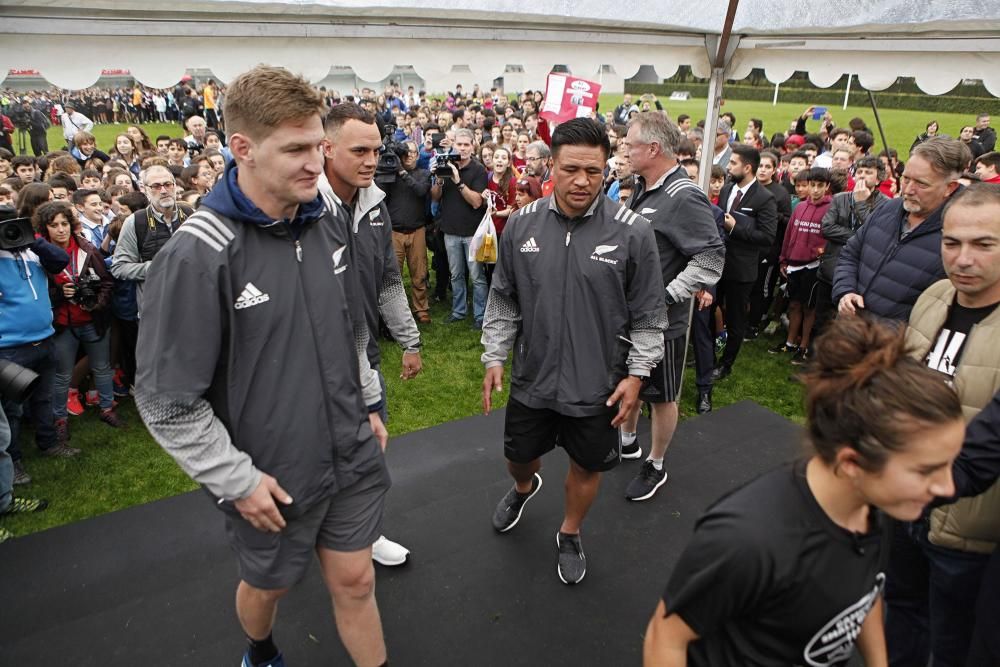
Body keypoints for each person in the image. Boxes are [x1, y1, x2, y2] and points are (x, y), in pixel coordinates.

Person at [134, 65, 391, 667]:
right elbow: (166, 402)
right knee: (269, 586)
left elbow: (347, 325)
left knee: (356, 581)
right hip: (271, 475)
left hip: (349, 451)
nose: (313, 164)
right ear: (242, 149)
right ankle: (261, 648)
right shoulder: (197, 254)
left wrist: (367, 401)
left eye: (318, 147)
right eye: (296, 149)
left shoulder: (327, 223)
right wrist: (235, 479)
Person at [643, 314, 965, 667]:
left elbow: (864, 592)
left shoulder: (875, 505)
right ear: (852, 464)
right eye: (926, 470)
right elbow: (666, 639)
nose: (948, 487)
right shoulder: (747, 540)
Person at [480, 118, 666, 584]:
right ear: (551, 170)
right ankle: (524, 487)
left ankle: (570, 530)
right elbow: (504, 297)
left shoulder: (634, 232)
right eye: (570, 169)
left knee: (587, 467)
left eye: (593, 170)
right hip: (533, 377)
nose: (582, 181)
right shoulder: (521, 224)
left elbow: (648, 314)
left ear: (608, 170)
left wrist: (636, 374)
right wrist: (496, 355)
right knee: (518, 457)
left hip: (598, 385)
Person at [887, 183, 1000, 667]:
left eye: (984, 244)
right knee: (902, 614)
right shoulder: (933, 296)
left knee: (955, 642)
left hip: (972, 529)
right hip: (904, 509)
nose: (963, 259)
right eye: (952, 243)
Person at [319, 102, 422, 569]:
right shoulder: (299, 208)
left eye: (376, 150)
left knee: (368, 454)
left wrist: (410, 340)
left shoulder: (376, 204)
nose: (371, 160)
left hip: (363, 360)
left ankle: (366, 533)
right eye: (359, 150)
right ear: (326, 147)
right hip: (310, 368)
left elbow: (386, 281)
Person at [618, 112, 724, 500]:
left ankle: (656, 464)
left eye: (630, 144)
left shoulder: (685, 196)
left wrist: (668, 294)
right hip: (632, 316)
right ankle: (627, 441)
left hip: (664, 323)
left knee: (662, 395)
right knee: (630, 379)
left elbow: (712, 256)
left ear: (653, 148)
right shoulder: (645, 186)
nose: (625, 150)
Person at [834, 138, 967, 323]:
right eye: (906, 178)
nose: (908, 190)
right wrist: (846, 290)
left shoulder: (962, 237)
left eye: (921, 184)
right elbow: (850, 253)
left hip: (894, 346)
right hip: (850, 332)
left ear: (949, 187)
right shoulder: (888, 208)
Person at [0, 203, 77, 489]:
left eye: (13, 224)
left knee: (44, 398)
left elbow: (60, 261)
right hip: (9, 346)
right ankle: (14, 460)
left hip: (44, 337)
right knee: (13, 410)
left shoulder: (32, 250)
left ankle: (49, 443)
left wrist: (34, 237)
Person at [35, 201, 121, 435]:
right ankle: (60, 419)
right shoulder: (39, 257)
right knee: (62, 375)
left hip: (93, 320)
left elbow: (106, 283)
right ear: (45, 228)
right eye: (54, 225)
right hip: (63, 324)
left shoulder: (87, 249)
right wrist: (59, 294)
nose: (61, 229)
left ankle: (107, 407)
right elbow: (36, 293)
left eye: (64, 224)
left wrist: (96, 302)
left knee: (102, 368)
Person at [711, 144, 777, 381]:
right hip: (718, 262)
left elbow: (767, 237)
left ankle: (725, 364)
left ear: (747, 167)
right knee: (710, 309)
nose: (729, 167)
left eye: (733, 163)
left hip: (742, 270)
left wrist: (735, 229)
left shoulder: (764, 198)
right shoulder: (728, 190)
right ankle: (708, 353)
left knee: (736, 319)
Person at [815, 156, 887, 336]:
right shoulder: (840, 198)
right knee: (821, 322)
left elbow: (876, 235)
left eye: (868, 172)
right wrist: (858, 237)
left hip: (858, 276)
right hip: (830, 269)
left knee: (844, 327)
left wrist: (862, 203)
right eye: (860, 172)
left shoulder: (886, 205)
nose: (862, 176)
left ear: (878, 179)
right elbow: (827, 228)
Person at [111, 165, 193, 316]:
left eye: (168, 184)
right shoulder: (136, 222)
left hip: (193, 306)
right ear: (145, 190)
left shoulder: (190, 215)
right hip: (156, 312)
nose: (163, 190)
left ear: (175, 186)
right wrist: (157, 267)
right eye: (156, 186)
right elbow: (119, 267)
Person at [771, 167, 832, 363]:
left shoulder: (830, 208)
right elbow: (789, 234)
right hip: (793, 263)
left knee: (809, 308)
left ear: (827, 187)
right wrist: (784, 258)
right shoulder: (799, 207)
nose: (815, 190)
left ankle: (804, 346)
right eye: (812, 185)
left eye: (819, 186)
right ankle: (790, 342)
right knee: (794, 304)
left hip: (813, 266)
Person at [430, 127, 489, 329]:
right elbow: (435, 197)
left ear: (473, 147)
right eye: (459, 145)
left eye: (466, 145)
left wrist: (457, 180)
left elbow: (476, 202)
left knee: (477, 277)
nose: (462, 149)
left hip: (473, 232)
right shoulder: (446, 164)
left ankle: (480, 315)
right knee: (456, 275)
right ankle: (458, 311)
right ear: (453, 146)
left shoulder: (479, 170)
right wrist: (439, 178)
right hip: (451, 231)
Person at [384, 140, 432, 323]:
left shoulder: (424, 174)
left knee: (419, 274)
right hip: (394, 231)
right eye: (406, 153)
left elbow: (421, 191)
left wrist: (402, 173)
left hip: (417, 230)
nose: (409, 156)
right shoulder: (390, 176)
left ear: (418, 156)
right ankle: (395, 311)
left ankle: (421, 308)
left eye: (413, 153)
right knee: (392, 275)